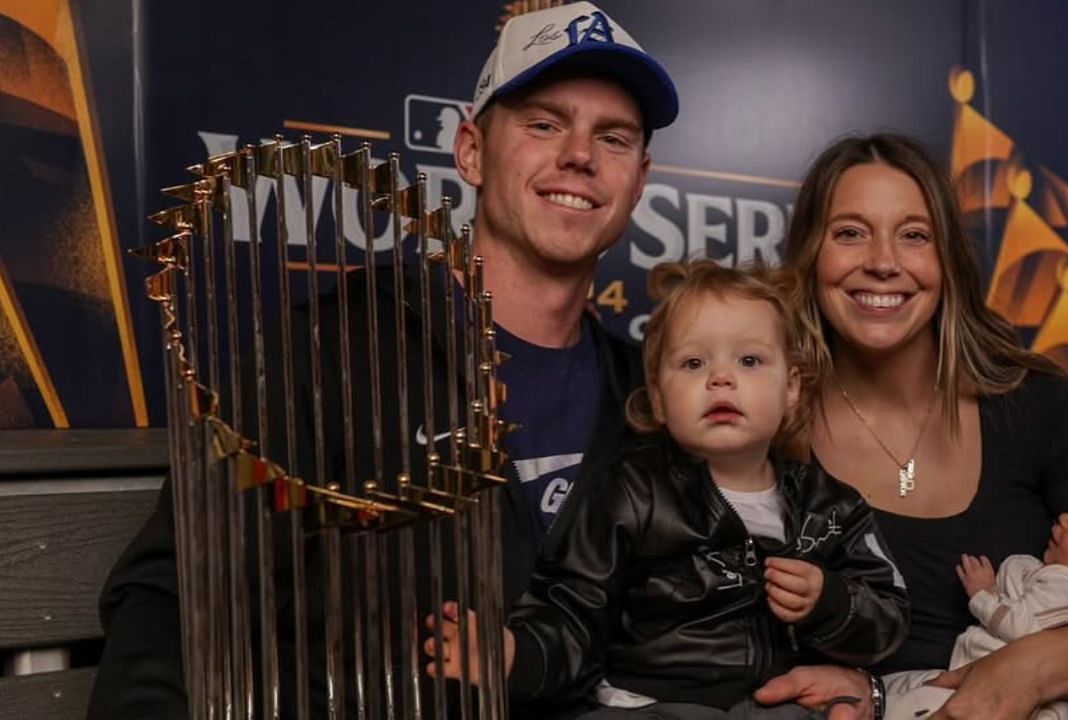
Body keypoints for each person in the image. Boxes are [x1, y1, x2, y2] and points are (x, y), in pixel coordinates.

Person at [88, 3, 678, 718]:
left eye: (612, 138)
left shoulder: (646, 395)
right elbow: (175, 593)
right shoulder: (330, 350)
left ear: (639, 177)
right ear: (470, 151)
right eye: (544, 123)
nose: (579, 155)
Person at [751, 134, 1068, 720]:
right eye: (849, 233)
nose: (883, 262)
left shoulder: (1036, 402)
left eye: (915, 235)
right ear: (811, 254)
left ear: (949, 262)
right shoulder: (762, 419)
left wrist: (1022, 673)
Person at [426, 259, 910, 719]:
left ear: (791, 388)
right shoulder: (631, 492)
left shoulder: (831, 507)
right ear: (658, 397)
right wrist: (515, 654)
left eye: (749, 360)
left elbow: (889, 613)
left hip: (775, 704)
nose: (721, 378)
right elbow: (573, 605)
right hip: (647, 706)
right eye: (694, 363)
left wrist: (830, 601)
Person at [883, 494, 1068, 720]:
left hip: (991, 696)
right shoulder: (1064, 582)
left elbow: (1022, 628)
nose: (1065, 517)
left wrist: (982, 595)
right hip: (974, 682)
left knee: (898, 700)